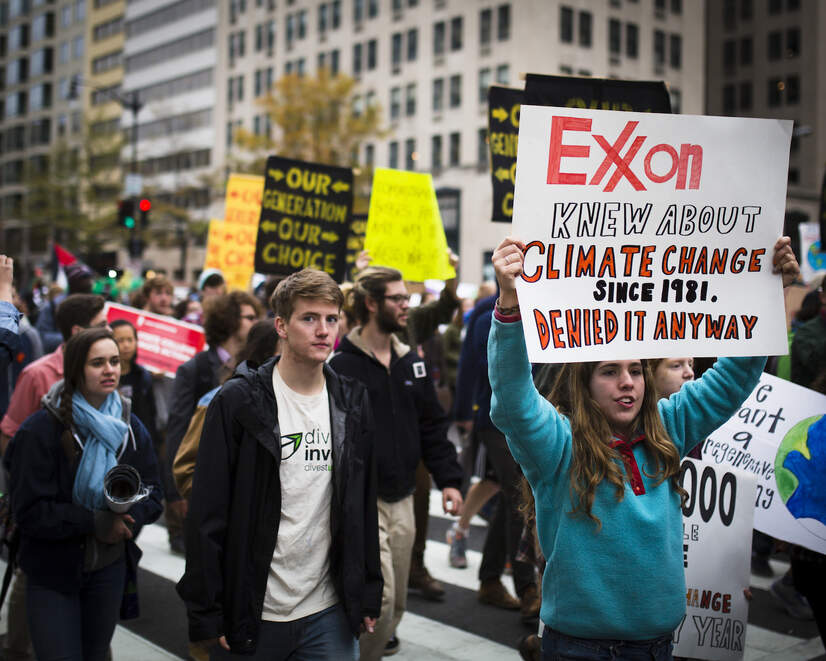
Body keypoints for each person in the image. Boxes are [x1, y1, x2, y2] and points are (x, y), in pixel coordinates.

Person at [488, 236, 799, 660]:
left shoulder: (669, 426)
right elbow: (512, 399)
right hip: (578, 649)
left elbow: (733, 378)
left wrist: (769, 294)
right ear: (584, 384)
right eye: (609, 371)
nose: (628, 381)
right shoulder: (558, 445)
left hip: (655, 648)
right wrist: (509, 305)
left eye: (635, 369)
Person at [177, 269, 381, 659]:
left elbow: (361, 505)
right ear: (281, 326)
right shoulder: (238, 401)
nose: (323, 330)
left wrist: (368, 588)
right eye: (309, 318)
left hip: (328, 610)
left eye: (331, 319)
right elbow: (208, 513)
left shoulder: (353, 401)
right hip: (256, 609)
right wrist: (207, 612)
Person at [330, 266, 463, 660]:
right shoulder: (340, 366)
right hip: (362, 503)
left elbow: (432, 428)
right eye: (398, 298)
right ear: (372, 303)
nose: (407, 305)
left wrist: (451, 480)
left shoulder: (411, 362)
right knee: (381, 601)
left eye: (407, 298)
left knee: (398, 605)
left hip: (403, 498)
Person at [5, 327, 163, 661]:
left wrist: (129, 521)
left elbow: (154, 491)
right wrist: (95, 521)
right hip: (52, 571)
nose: (110, 370)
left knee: (95, 653)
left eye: (115, 361)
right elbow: (30, 512)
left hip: (108, 568)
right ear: (76, 369)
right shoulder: (41, 430)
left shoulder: (131, 427)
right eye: (98, 363)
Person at [162, 291, 263, 552]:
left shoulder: (255, 368)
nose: (256, 323)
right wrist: (175, 492)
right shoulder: (193, 370)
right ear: (229, 321)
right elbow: (178, 432)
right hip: (202, 482)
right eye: (249, 317)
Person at [172, 320, 280, 502]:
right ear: (266, 355)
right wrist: (227, 507)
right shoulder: (218, 400)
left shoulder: (298, 404)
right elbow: (186, 471)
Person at [111, 319, 159, 452]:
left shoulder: (143, 375)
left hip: (141, 441)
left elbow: (151, 413)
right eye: (120, 340)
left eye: (130, 340)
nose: (126, 345)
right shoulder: (107, 376)